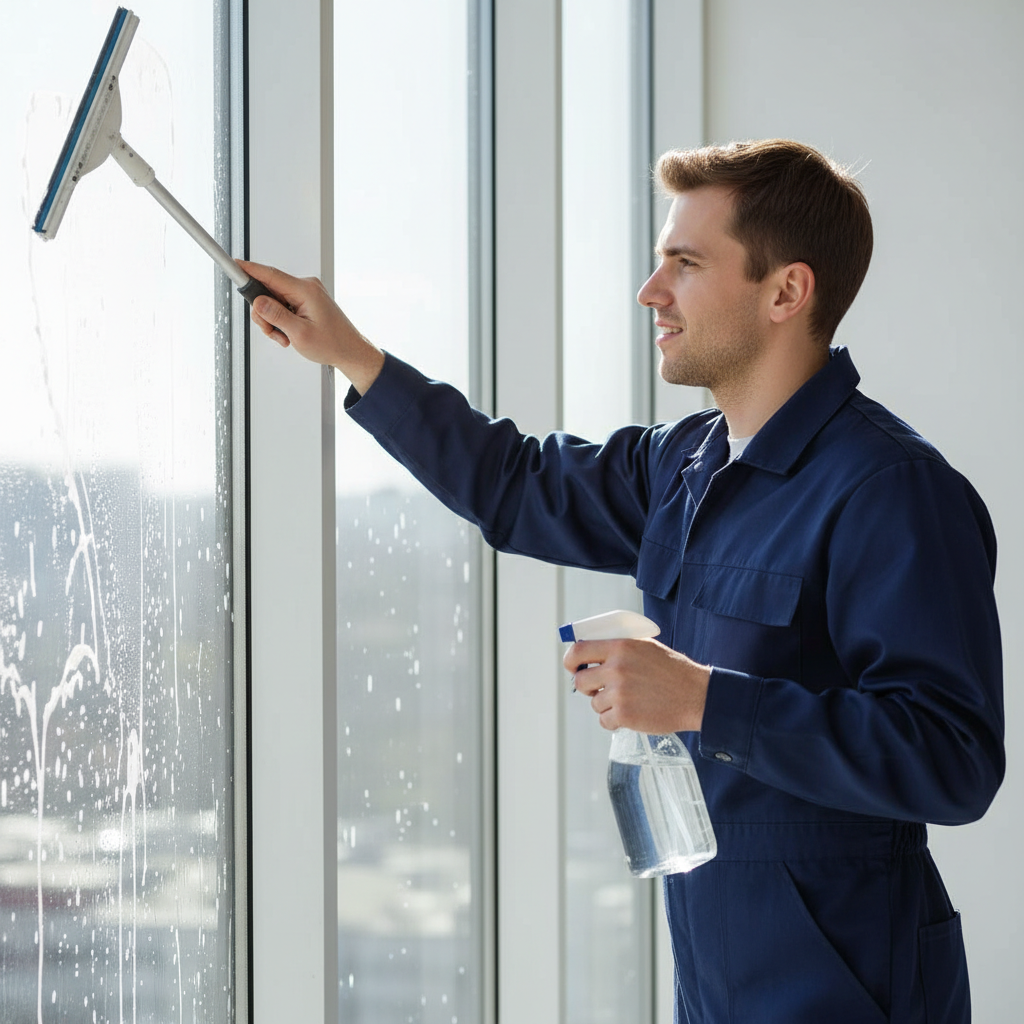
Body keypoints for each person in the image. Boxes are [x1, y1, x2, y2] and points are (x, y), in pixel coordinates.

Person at [241, 138, 1004, 1024]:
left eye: (684, 264)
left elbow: (953, 759)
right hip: (715, 974)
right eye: (658, 263)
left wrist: (701, 700)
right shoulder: (681, 465)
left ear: (786, 292)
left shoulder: (891, 491)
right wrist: (353, 355)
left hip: (848, 986)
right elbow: (514, 485)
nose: (652, 292)